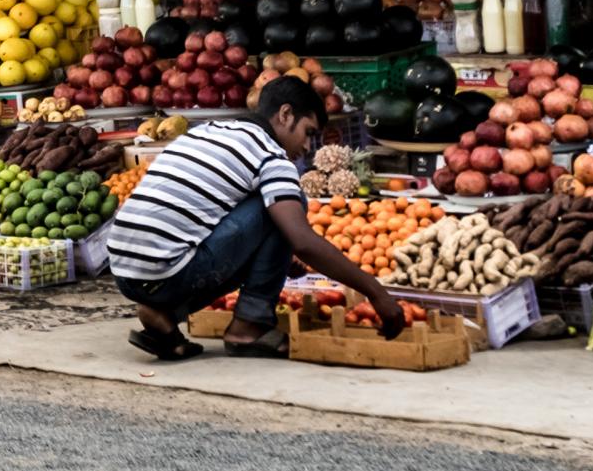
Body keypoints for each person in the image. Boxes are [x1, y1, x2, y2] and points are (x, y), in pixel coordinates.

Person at [108, 74, 405, 360]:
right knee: (287, 206)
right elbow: (302, 241)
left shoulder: (205, 132)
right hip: (167, 272)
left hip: (125, 273)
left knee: (273, 208)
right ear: (285, 114)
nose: (306, 148)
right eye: (308, 133)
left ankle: (163, 315)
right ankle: (248, 327)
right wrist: (375, 291)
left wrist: (271, 258)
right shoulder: (270, 155)